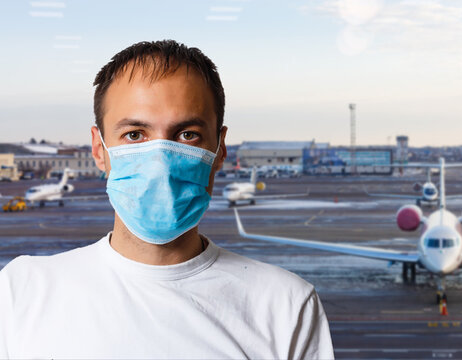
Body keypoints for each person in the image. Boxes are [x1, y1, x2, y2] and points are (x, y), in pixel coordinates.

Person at [0, 40, 334, 359]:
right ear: (99, 149)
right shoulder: (20, 292)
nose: (160, 161)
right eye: (135, 135)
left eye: (187, 135)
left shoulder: (286, 306)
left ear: (220, 150)